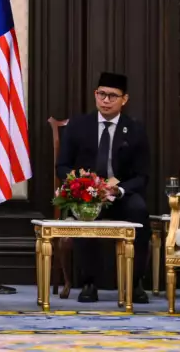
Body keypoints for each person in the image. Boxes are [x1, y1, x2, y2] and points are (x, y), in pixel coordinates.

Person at [56, 71, 150, 304]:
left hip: (120, 195)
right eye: (102, 94)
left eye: (112, 96)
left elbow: (142, 176)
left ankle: (135, 282)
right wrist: (81, 184)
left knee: (139, 209)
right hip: (87, 193)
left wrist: (118, 190)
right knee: (84, 210)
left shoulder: (135, 129)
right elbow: (62, 166)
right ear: (95, 95)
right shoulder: (78, 125)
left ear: (124, 99)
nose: (106, 100)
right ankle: (88, 283)